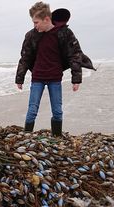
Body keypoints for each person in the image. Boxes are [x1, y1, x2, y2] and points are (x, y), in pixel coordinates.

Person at [15, 2, 95, 136]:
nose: (35, 26)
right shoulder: (31, 35)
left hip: (55, 78)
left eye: (36, 22)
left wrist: (76, 79)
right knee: (32, 111)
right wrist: (20, 78)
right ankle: (27, 137)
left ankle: (57, 137)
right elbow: (25, 57)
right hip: (38, 78)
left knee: (57, 112)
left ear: (46, 19)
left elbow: (74, 55)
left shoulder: (64, 33)